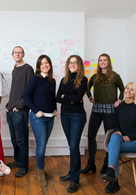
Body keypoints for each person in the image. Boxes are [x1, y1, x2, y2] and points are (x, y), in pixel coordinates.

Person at [102, 82, 136, 193]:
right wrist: (118, 130)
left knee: (113, 146)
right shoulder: (120, 107)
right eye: (127, 88)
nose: (128, 91)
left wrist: (131, 137)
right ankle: (112, 173)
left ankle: (113, 179)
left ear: (135, 93)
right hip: (122, 139)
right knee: (115, 137)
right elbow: (115, 124)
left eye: (132, 89)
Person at [81, 53, 124, 174]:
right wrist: (90, 97)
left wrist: (119, 99)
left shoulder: (115, 76)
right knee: (90, 135)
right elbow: (86, 88)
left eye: (105, 60)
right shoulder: (95, 76)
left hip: (110, 109)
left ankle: (107, 162)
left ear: (108, 62)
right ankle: (91, 163)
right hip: (97, 108)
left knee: (109, 137)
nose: (102, 62)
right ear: (98, 63)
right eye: (100, 60)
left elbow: (123, 89)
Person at [23, 54, 57, 187]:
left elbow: (52, 98)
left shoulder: (52, 81)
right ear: (39, 66)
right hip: (38, 118)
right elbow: (26, 96)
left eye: (46, 63)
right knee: (41, 146)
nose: (44, 65)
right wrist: (36, 111)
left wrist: (54, 109)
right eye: (42, 64)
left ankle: (39, 169)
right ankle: (41, 172)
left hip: (50, 117)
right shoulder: (35, 79)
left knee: (43, 145)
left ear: (50, 65)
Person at [56, 55, 88, 193]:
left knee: (74, 147)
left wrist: (65, 97)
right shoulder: (64, 80)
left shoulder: (83, 80)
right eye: (70, 62)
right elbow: (57, 98)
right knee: (72, 146)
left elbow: (79, 97)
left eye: (75, 62)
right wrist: (71, 99)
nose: (72, 64)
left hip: (77, 116)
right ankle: (72, 172)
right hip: (65, 116)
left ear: (79, 65)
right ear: (68, 65)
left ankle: (75, 180)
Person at [6, 46, 34, 177]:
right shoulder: (15, 69)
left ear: (23, 54)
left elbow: (30, 91)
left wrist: (20, 106)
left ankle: (23, 166)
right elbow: (15, 90)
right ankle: (18, 161)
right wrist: (8, 105)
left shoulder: (28, 69)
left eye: (19, 52)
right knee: (14, 138)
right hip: (11, 109)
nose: (17, 54)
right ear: (12, 55)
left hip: (20, 110)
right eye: (15, 52)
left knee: (21, 139)